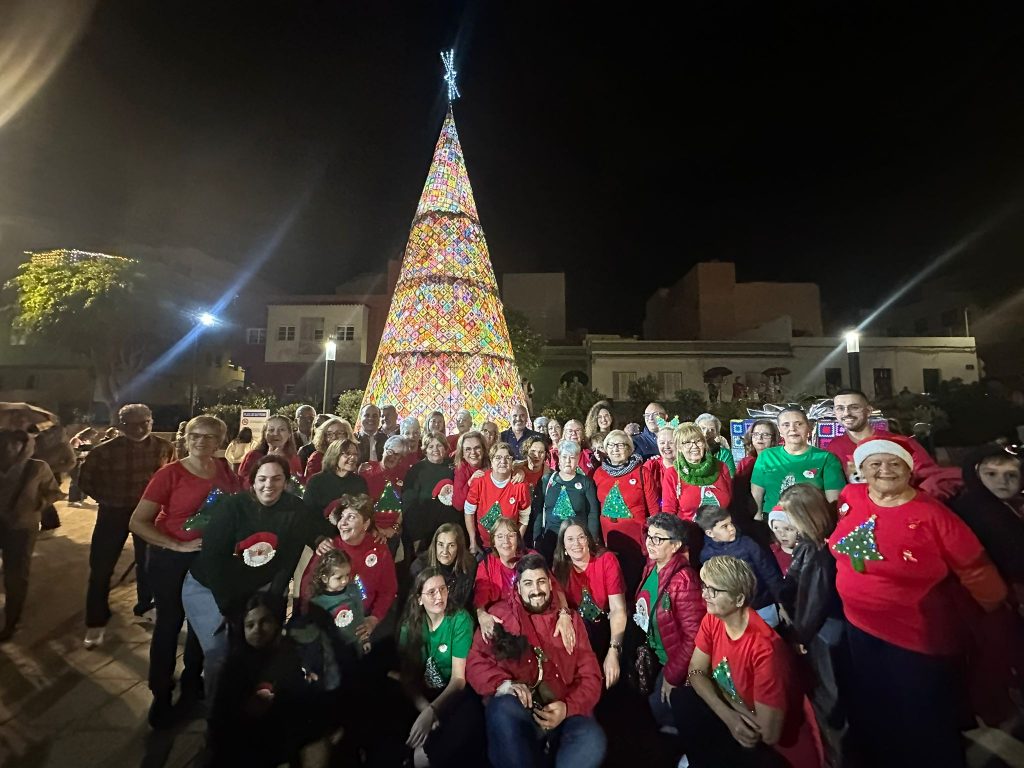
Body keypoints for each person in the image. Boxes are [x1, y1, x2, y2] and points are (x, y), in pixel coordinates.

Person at [830, 436, 1008, 767]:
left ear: (908, 470)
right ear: (862, 470)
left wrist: (994, 612)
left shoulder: (932, 515)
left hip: (914, 636)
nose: (884, 470)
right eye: (875, 464)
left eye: (894, 463)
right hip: (858, 626)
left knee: (924, 716)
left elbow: (975, 567)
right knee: (877, 702)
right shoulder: (850, 497)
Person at [183, 455, 336, 698]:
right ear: (252, 481)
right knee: (220, 653)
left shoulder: (293, 507)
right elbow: (214, 560)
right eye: (262, 479)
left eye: (277, 479)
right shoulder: (233, 508)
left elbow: (312, 530)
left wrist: (319, 540)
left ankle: (251, 706)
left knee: (259, 649)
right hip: (210, 588)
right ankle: (218, 712)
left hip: (255, 589)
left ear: (286, 481)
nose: (269, 485)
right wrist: (231, 610)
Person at [129, 415, 242, 727]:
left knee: (201, 624)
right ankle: (161, 695)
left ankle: (193, 685)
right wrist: (176, 546)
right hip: (170, 559)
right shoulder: (170, 474)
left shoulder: (223, 470)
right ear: (186, 438)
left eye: (209, 437)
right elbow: (138, 521)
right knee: (170, 623)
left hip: (207, 560)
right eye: (195, 436)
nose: (201, 442)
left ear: (220, 440)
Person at [466, 553, 606, 768]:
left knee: (593, 740)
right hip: (523, 710)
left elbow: (591, 676)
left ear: (550, 585)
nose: (536, 590)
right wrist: (503, 684)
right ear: (518, 588)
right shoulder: (499, 616)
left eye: (541, 582)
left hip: (565, 710)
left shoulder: (571, 621)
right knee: (501, 708)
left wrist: (567, 708)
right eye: (528, 583)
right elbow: (476, 664)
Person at [679, 556, 820, 768]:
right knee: (683, 699)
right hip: (738, 716)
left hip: (768, 745)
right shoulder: (714, 618)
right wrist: (728, 715)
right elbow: (695, 671)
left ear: (738, 599)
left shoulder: (766, 650)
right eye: (705, 586)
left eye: (714, 591)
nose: (705, 595)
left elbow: (767, 734)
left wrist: (719, 697)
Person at [206, 592, 338, 767]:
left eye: (265, 622)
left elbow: (299, 703)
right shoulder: (234, 666)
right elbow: (220, 717)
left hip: (279, 740)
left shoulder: (290, 656)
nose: (257, 630)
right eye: (250, 625)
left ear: (277, 623)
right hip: (245, 746)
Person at [79, 404, 174, 647]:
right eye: (134, 424)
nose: (141, 428)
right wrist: (107, 499)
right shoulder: (103, 452)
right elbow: (86, 481)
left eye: (146, 422)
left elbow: (171, 481)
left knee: (149, 565)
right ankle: (96, 621)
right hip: (113, 513)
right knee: (101, 568)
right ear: (121, 425)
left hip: (149, 515)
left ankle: (145, 606)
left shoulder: (164, 448)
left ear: (152, 421)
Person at [776, 484, 846, 766]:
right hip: (819, 627)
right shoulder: (810, 542)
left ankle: (835, 755)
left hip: (823, 631)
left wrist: (799, 634)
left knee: (830, 696)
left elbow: (813, 600)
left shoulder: (818, 552)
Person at [398, 567, 484, 766]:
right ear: (419, 599)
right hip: (422, 695)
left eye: (443, 589)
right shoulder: (409, 627)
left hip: (453, 693)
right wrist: (424, 708)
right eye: (431, 592)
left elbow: (458, 680)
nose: (439, 596)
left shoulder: (459, 620)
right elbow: (408, 677)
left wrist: (432, 711)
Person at [633, 513, 705, 730]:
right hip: (655, 654)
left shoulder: (684, 581)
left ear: (675, 546)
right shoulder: (652, 566)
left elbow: (694, 637)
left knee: (661, 705)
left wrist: (673, 676)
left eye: (658, 538)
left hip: (671, 660)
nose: (650, 542)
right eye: (649, 536)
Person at [301, 493, 398, 646]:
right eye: (342, 517)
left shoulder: (379, 548)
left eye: (351, 517)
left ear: (366, 524)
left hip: (365, 617)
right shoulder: (329, 548)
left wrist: (374, 619)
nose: (343, 523)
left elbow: (388, 590)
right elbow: (307, 588)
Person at [0, 429, 61, 641]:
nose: (7, 448)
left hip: (22, 527)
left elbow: (53, 492)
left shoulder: (37, 467)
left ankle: (11, 622)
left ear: (24, 445)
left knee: (15, 575)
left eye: (13, 443)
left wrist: (38, 504)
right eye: (3, 443)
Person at [552, 522, 627, 689]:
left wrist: (614, 650)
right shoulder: (560, 568)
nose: (576, 544)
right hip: (580, 632)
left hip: (608, 628)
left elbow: (617, 609)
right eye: (570, 539)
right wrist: (564, 616)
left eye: (580, 537)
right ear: (563, 547)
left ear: (588, 540)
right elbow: (561, 605)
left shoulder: (606, 560)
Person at [950, 445, 1024, 605]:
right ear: (976, 475)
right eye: (991, 474)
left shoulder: (989, 502)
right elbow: (1016, 561)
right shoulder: (985, 512)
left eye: (1011, 475)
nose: (1002, 481)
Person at [695, 505, 786, 626]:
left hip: (762, 606)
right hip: (733, 612)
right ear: (710, 533)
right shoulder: (707, 556)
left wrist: (782, 603)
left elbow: (770, 573)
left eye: (731, 523)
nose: (732, 528)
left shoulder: (748, 544)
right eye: (724, 526)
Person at [592, 429, 657, 594]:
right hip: (610, 542)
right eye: (611, 445)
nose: (615, 449)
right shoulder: (598, 473)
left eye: (620, 445)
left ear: (629, 449)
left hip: (637, 542)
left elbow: (654, 510)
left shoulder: (642, 472)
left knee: (635, 583)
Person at [827, 388, 936, 484]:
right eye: (840, 408)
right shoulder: (834, 447)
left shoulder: (898, 442)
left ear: (869, 411)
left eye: (854, 407)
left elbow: (931, 478)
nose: (846, 413)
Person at [750, 407, 845, 516]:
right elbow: (756, 495)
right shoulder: (766, 456)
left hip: (810, 522)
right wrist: (757, 522)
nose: (793, 429)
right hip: (773, 523)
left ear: (809, 427)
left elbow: (834, 502)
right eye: (786, 425)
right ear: (779, 430)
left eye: (799, 424)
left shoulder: (827, 458)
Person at [533, 440, 601, 563]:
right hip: (551, 539)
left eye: (572, 457)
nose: (568, 461)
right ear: (559, 457)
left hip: (576, 542)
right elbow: (538, 510)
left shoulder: (586, 482)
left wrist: (591, 539)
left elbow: (593, 513)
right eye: (564, 457)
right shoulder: (547, 480)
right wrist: (536, 537)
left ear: (578, 458)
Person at [464, 442, 531, 555]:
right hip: (483, 545)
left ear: (512, 462)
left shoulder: (520, 485)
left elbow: (524, 519)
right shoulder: (479, 481)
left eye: (507, 458)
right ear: (491, 461)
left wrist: (515, 544)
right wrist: (472, 542)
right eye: (498, 457)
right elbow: (469, 512)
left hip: (508, 546)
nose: (503, 462)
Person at [661, 423, 733, 520]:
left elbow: (732, 501)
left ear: (704, 444)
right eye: (687, 443)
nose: (694, 446)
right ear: (679, 448)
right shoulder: (672, 474)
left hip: (720, 529)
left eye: (698, 441)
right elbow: (669, 510)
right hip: (689, 530)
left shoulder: (721, 467)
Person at [401, 433, 456, 554]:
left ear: (445, 448)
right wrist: (416, 536)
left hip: (449, 530)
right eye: (431, 446)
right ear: (425, 449)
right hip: (424, 532)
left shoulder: (452, 467)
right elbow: (408, 505)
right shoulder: (416, 470)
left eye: (439, 445)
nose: (435, 450)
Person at [308, 548, 368, 657]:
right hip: (334, 652)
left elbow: (360, 615)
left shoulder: (354, 590)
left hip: (356, 645)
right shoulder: (317, 604)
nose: (345, 580)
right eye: (339, 577)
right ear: (325, 578)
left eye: (347, 575)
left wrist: (365, 639)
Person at [409, 523, 476, 611]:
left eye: (451, 545)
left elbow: (464, 602)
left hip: (455, 615)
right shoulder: (419, 567)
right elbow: (412, 603)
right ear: (435, 545)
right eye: (440, 544)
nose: (445, 551)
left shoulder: (469, 565)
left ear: (459, 547)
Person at [303, 439, 368, 518]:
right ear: (334, 455)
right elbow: (308, 513)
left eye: (355, 454)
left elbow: (365, 512)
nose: (353, 457)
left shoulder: (359, 482)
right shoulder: (316, 481)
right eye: (347, 454)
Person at [237, 415, 302, 488]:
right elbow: (244, 485)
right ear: (264, 434)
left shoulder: (293, 457)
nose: (276, 434)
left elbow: (298, 485)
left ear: (289, 434)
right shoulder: (253, 456)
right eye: (271, 430)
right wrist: (267, 461)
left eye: (282, 429)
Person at [452, 430, 488, 524]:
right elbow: (458, 504)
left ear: (483, 450)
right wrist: (470, 482)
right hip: (470, 521)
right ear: (462, 454)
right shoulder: (461, 469)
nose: (473, 452)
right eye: (468, 449)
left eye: (477, 448)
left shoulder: (493, 465)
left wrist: (519, 471)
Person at [643, 425, 677, 512]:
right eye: (662, 443)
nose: (666, 446)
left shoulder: (686, 468)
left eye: (671, 442)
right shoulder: (651, 466)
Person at [767, 506, 799, 575]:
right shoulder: (770, 552)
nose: (782, 534)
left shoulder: (807, 553)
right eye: (776, 528)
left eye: (788, 529)